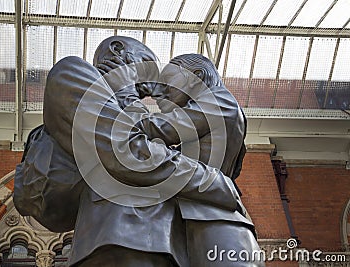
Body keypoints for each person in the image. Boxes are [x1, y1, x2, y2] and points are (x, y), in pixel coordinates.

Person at [14, 37, 244, 267]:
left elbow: (148, 138)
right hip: (123, 238)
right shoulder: (74, 73)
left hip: (161, 238)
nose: (153, 89)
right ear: (117, 50)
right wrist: (214, 183)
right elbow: (131, 150)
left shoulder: (218, 103)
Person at [99, 53, 263, 266]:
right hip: (205, 216)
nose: (163, 88)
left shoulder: (218, 102)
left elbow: (153, 129)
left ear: (197, 76)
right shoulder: (220, 108)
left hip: (213, 221)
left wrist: (126, 90)